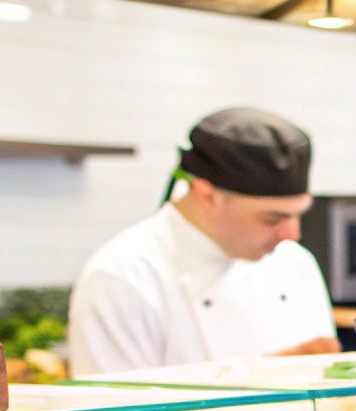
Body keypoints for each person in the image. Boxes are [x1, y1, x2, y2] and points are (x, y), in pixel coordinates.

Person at [68, 108, 340, 374]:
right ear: (206, 195)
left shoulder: (295, 263)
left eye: (298, 215)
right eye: (272, 219)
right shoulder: (123, 277)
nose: (292, 235)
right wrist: (260, 377)